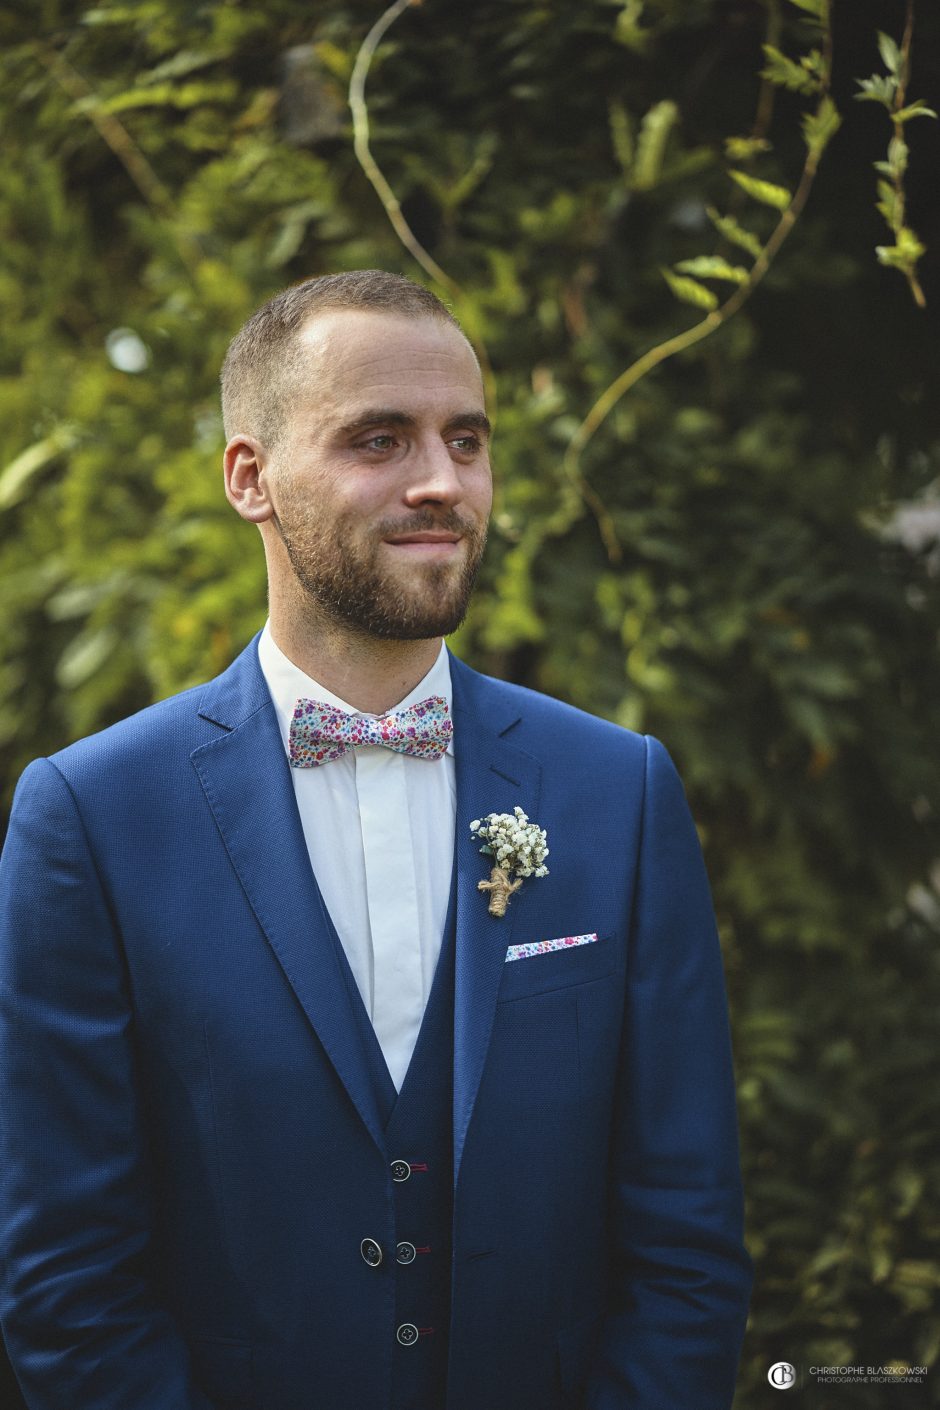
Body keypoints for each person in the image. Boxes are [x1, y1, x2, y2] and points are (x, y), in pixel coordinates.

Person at [0, 270, 752, 1410]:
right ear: (250, 478)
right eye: (378, 440)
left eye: (466, 439)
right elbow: (64, 1273)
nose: (442, 482)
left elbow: (687, 1236)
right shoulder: (91, 818)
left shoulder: (618, 791)